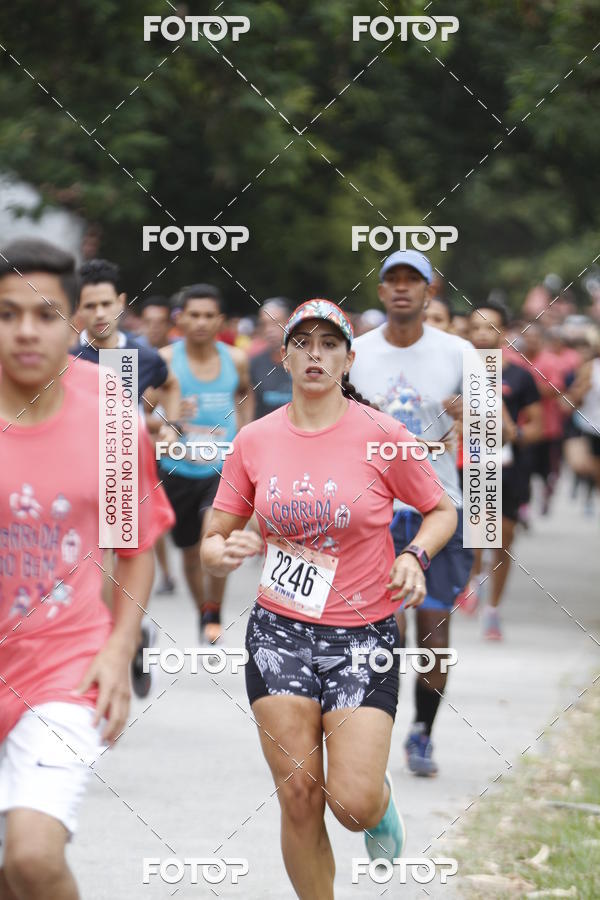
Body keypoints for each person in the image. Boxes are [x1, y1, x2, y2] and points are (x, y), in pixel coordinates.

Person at [201, 299, 457, 899]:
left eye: (329, 344)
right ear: (284, 355)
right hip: (278, 634)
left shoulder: (383, 436)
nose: (315, 354)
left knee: (351, 802)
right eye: (303, 343)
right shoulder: (255, 440)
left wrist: (412, 555)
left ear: (349, 358)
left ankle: (380, 805)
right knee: (298, 796)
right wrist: (221, 552)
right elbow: (214, 534)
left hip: (363, 634)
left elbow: (440, 510)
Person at [0, 238, 174, 900]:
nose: (24, 330)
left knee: (34, 860)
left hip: (62, 665)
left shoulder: (108, 412)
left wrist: (119, 649)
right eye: (7, 313)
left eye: (45, 314)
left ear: (75, 321)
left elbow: (133, 549)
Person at [350, 249, 473, 776]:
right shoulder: (354, 351)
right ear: (381, 291)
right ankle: (373, 737)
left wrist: (471, 420)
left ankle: (422, 732)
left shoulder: (460, 353)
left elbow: (499, 440)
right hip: (373, 513)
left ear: (430, 291)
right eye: (392, 280)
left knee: (433, 631)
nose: (402, 289)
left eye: (413, 281)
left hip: (438, 510)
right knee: (381, 634)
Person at [71, 259, 181, 696]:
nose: (99, 313)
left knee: (120, 565)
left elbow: (169, 384)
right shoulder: (67, 357)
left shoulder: (141, 355)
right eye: (88, 305)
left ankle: (121, 644)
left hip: (124, 474)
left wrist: (165, 423)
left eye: (106, 303)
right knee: (95, 575)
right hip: (78, 478)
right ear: (76, 310)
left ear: (121, 303)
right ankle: (133, 638)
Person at [158, 284, 251, 644]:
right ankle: (203, 609)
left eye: (208, 315)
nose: (200, 322)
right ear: (179, 319)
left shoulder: (235, 359)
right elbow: (144, 408)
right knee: (191, 554)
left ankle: (215, 607)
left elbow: (244, 390)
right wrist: (168, 419)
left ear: (220, 320)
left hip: (222, 467)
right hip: (178, 467)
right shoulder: (165, 360)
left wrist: (245, 429)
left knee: (214, 536)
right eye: (193, 315)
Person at [465, 300, 543, 638]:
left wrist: (516, 434)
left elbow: (539, 425)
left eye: (490, 327)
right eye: (476, 328)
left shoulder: (520, 376)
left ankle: (493, 609)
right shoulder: (458, 371)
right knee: (474, 533)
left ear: (503, 332)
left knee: (504, 538)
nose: (483, 334)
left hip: (509, 468)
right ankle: (474, 580)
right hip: (467, 465)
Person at [247, 298, 293, 420]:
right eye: (264, 324)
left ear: (290, 324)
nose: (269, 330)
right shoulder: (254, 364)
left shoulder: (306, 362)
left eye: (275, 323)